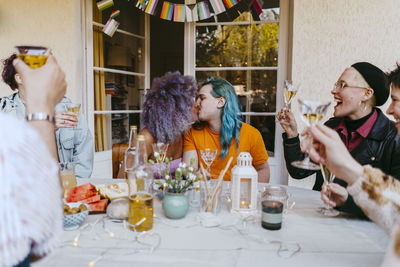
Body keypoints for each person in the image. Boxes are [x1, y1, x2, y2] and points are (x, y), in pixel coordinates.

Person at [277, 62, 400, 217]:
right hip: (322, 220)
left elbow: (395, 206)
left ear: (367, 94)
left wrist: (347, 202)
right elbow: (298, 171)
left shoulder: (394, 137)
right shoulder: (332, 126)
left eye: (343, 85)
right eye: (337, 84)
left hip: (366, 233)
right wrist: (292, 135)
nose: (334, 90)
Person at [0, 55, 65, 267]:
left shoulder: (68, 106)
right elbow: (45, 232)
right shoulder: (6, 119)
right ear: (20, 77)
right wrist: (43, 118)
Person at [1, 54, 94, 178]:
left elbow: (84, 157)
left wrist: (72, 189)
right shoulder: (4, 111)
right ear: (20, 78)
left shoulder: (69, 108)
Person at [183, 77, 270, 182]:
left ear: (220, 102)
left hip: (238, 195)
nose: (196, 103)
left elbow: (263, 170)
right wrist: (195, 174)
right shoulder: (192, 132)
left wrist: (247, 192)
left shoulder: (251, 134)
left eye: (202, 98)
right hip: (207, 194)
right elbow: (189, 168)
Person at [116, 71, 198, 178]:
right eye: (188, 105)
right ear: (172, 111)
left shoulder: (184, 134)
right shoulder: (146, 138)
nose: (195, 107)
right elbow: (122, 178)